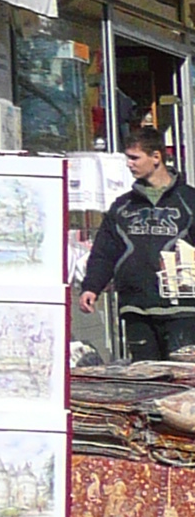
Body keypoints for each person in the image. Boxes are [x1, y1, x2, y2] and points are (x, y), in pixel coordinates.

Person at [78, 122, 195, 361]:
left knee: (184, 380)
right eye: (127, 158)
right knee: (146, 381)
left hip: (183, 310)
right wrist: (92, 286)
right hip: (136, 306)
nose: (129, 164)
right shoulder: (123, 206)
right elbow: (104, 251)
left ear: (156, 157)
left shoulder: (189, 200)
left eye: (134, 158)